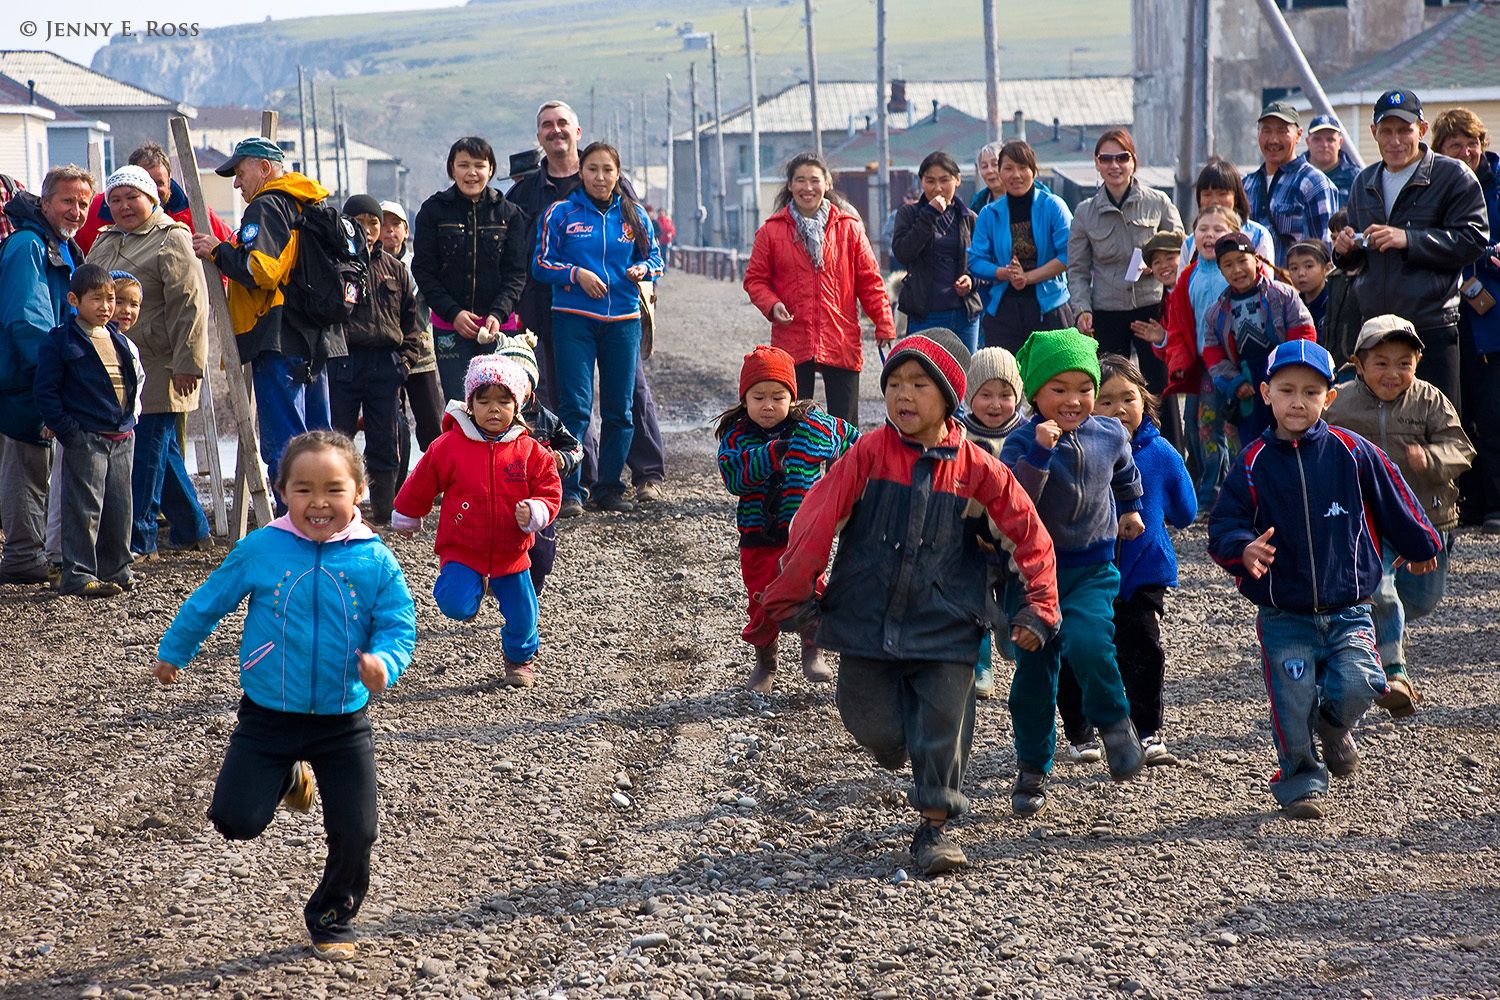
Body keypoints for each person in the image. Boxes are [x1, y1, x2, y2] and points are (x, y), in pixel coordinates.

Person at [758, 328, 1060, 875]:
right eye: (895, 382)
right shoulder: (868, 454)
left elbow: (1029, 535)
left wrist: (1039, 606)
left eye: (919, 383)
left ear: (947, 396)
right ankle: (904, 749)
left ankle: (936, 827)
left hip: (949, 621)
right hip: (864, 621)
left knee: (942, 723)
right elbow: (814, 523)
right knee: (873, 725)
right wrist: (794, 597)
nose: (904, 394)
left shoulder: (979, 470)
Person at [152, 430, 417, 961]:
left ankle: (331, 919)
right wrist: (175, 650)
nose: (318, 502)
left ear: (359, 491)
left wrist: (383, 663)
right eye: (303, 489)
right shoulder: (261, 548)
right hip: (268, 715)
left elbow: (398, 626)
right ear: (282, 491)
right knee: (235, 820)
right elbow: (209, 602)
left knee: (357, 830)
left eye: (333, 489)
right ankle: (290, 775)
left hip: (343, 719)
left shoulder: (376, 561)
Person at [1208, 340, 1442, 819]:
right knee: (1291, 703)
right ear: (1267, 394)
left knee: (1363, 681)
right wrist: (1242, 548)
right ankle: (1299, 780)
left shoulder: (1352, 452)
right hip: (1283, 613)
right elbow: (1225, 521)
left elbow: (1394, 495)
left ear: (1328, 399)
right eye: (1287, 390)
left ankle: (1334, 726)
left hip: (1348, 606)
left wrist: (1423, 545)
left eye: (1311, 392)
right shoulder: (1252, 462)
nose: (1298, 402)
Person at [1000, 327, 1147, 815]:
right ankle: (1033, 766)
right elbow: (1014, 502)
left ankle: (1115, 725)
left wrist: (1129, 509)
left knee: (1089, 643)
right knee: (1034, 677)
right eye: (1058, 389)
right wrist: (1040, 451)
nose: (1074, 399)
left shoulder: (1109, 432)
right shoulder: (1021, 440)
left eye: (1084, 388)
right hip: (1035, 577)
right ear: (1035, 392)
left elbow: (1125, 472)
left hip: (1092, 569)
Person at [509, 101, 669, 505]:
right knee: (570, 405)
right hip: (562, 316)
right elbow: (531, 259)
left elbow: (652, 256)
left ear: (577, 132)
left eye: (563, 123)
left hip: (623, 317)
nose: (556, 130)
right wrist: (573, 275)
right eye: (547, 125)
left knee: (628, 400)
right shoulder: (538, 197)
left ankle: (630, 478)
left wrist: (643, 275)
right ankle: (571, 487)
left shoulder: (630, 205)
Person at [1325, 316, 1473, 717]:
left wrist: (1431, 458)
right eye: (1381, 363)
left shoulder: (1429, 400)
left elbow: (1460, 448)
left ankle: (1373, 627)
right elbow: (1313, 440)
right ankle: (1393, 673)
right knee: (1380, 589)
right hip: (1368, 518)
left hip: (1427, 518)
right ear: (1358, 363)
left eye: (1403, 363)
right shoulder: (1340, 402)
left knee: (1421, 599)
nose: (1393, 373)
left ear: (1418, 362)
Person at [1057, 354, 1195, 765]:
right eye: (1107, 401)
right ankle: (1080, 733)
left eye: (1128, 399)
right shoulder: (1077, 450)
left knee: (1143, 651)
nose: (1119, 409)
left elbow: (1185, 511)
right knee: (1079, 652)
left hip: (1143, 573)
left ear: (1145, 401)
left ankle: (1149, 731)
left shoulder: (1161, 452)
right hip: (1086, 572)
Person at [191, 137, 343, 507]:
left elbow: (261, 269)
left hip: (279, 335)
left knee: (287, 442)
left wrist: (218, 251)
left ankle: (295, 520)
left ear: (263, 167)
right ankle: (330, 517)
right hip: (316, 335)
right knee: (319, 438)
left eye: (240, 173)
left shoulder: (268, 206)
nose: (236, 183)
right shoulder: (309, 202)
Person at [392, 355, 562, 688]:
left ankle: (519, 658)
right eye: (483, 401)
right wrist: (409, 514)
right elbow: (421, 480)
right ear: (470, 405)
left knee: (524, 615)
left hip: (511, 552)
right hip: (462, 548)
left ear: (518, 404)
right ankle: (476, 589)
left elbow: (550, 488)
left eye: (503, 401)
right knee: (453, 603)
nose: (493, 409)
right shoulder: (449, 446)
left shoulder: (530, 450)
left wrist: (537, 509)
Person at [1333, 89, 1488, 410]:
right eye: (1386, 131)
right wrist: (1347, 251)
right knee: (1378, 432)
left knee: (1439, 432)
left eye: (1404, 130)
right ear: (1373, 132)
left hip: (1431, 326)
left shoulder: (1452, 175)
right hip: (1375, 331)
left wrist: (1409, 239)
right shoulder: (1363, 182)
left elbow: (1473, 240)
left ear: (1422, 129)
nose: (1395, 140)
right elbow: (1359, 265)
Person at [85, 165, 212, 558]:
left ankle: (138, 540)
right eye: (116, 200)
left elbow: (189, 302)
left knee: (146, 451)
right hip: (114, 360)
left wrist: (189, 362)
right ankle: (192, 526)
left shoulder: (170, 238)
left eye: (132, 198)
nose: (124, 206)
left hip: (159, 361)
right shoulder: (106, 241)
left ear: (151, 199)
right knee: (161, 450)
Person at [716, 345, 858, 694]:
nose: (768, 405)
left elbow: (855, 443)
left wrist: (843, 481)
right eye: (758, 397)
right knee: (761, 598)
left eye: (778, 397)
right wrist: (771, 454)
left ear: (791, 398)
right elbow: (734, 478)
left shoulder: (811, 426)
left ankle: (813, 649)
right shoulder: (736, 435)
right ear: (744, 399)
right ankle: (766, 659)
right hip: (757, 539)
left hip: (804, 535)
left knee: (811, 589)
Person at [743, 153, 896, 425]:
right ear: (790, 185)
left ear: (827, 184)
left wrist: (884, 322)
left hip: (841, 336)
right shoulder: (771, 231)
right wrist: (772, 304)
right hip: (792, 337)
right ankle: (801, 469)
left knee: (844, 427)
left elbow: (870, 281)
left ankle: (843, 469)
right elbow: (755, 279)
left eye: (814, 180)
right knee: (794, 422)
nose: (807, 187)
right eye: (800, 180)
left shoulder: (849, 228)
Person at [0, 164, 93, 585]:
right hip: (22, 377)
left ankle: (31, 550)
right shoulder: (29, 246)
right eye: (68, 201)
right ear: (45, 201)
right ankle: (22, 555)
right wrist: (55, 372)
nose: (76, 211)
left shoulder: (61, 247)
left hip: (37, 372)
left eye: (84, 204)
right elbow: (26, 320)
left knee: (36, 464)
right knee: (26, 461)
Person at [33, 262, 144, 597]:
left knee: (120, 507)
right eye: (97, 299)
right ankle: (78, 574)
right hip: (86, 436)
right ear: (73, 300)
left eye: (110, 299)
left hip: (121, 436)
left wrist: (129, 423)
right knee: (84, 508)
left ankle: (118, 569)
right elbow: (45, 391)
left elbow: (131, 382)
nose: (107, 307)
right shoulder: (61, 341)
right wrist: (69, 431)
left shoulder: (118, 339)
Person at [410, 136, 529, 403]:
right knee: (460, 403)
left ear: (491, 169)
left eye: (479, 165)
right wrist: (453, 313)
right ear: (452, 169)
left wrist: (498, 313)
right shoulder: (433, 211)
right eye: (463, 165)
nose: (471, 173)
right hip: (450, 327)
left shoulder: (509, 214)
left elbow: (516, 274)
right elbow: (423, 270)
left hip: (499, 327)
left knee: (500, 402)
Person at [1067, 128, 1182, 400]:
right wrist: (1082, 309)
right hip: (1107, 311)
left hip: (1152, 307)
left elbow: (1183, 250)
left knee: (1159, 387)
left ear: (1133, 161)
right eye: (1106, 159)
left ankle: (1166, 443)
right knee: (1110, 389)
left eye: (1122, 157)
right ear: (1096, 163)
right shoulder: (1085, 213)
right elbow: (1078, 270)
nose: (1114, 165)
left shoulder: (1158, 202)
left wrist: (1159, 268)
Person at [327, 195, 421, 524]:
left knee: (386, 438)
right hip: (344, 361)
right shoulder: (334, 263)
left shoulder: (396, 269)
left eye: (374, 223)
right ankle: (337, 505)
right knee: (338, 437)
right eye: (359, 222)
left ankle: (385, 510)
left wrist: (404, 362)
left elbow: (412, 323)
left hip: (386, 363)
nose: (367, 230)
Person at [1429, 108, 1500, 531]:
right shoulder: (1437, 184)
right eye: (1455, 144)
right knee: (1460, 410)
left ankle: (1496, 501)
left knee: (1494, 412)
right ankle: (1470, 502)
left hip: (1493, 318)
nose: (1466, 151)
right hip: (1452, 317)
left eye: (1471, 142)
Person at [1201, 231, 1317, 444]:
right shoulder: (1215, 313)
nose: (1236, 270)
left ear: (1255, 260)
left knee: (1293, 432)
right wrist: (1235, 383)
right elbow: (1213, 356)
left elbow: (1303, 333)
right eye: (1228, 265)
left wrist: (1290, 372)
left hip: (1283, 371)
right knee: (1255, 441)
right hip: (1248, 383)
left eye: (1242, 261)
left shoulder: (1283, 295)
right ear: (1220, 270)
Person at [491, 331, 582, 596]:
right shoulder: (488, 418)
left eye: (522, 379)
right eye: (509, 379)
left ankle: (533, 588)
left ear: (532, 382)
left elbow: (575, 447)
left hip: (539, 499)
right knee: (499, 548)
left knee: (541, 554)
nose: (515, 385)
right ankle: (502, 585)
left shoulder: (546, 420)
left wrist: (562, 459)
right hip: (500, 499)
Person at [958, 346, 1026, 699]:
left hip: (1014, 535)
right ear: (971, 395)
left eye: (1005, 395)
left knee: (1016, 594)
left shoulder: (1027, 433)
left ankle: (1009, 629)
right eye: (985, 395)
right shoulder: (959, 433)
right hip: (973, 535)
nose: (995, 404)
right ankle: (980, 665)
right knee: (976, 603)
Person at [967, 140, 1073, 353]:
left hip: (1050, 307)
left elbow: (1069, 254)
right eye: (1008, 168)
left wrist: (1028, 277)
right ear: (1000, 173)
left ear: (1034, 171)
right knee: (1007, 381)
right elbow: (975, 260)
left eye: (1022, 167)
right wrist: (1003, 273)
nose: (1016, 175)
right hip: (1004, 311)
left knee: (1053, 380)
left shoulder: (1053, 206)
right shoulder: (989, 213)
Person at [379, 200, 445, 481]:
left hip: (420, 353)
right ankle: (395, 484)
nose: (389, 231)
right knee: (391, 422)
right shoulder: (366, 265)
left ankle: (438, 479)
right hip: (383, 353)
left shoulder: (419, 266)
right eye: (382, 224)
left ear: (406, 231)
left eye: (396, 225)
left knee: (431, 420)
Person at [890, 153, 982, 352]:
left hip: (963, 315)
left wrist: (971, 281)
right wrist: (929, 215)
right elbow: (903, 253)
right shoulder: (909, 214)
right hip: (924, 315)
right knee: (925, 376)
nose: (937, 188)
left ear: (957, 180)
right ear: (921, 181)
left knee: (964, 376)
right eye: (930, 181)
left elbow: (984, 264)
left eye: (944, 180)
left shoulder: (970, 218)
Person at [76, 140, 235, 254]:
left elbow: (232, 248)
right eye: (146, 182)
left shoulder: (194, 215)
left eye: (159, 183)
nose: (153, 190)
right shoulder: (98, 211)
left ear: (169, 182)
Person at [1244, 101, 1338, 264]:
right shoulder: (1247, 184)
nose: (1273, 139)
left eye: (1282, 131)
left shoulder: (1314, 183)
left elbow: (1326, 251)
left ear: (1299, 135)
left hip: (1295, 287)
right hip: (1254, 288)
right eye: (1267, 131)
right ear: (1258, 134)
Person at [1175, 158, 1276, 267]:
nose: (1214, 201)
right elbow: (1182, 282)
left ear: (1236, 197)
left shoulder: (1258, 235)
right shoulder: (1191, 243)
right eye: (1207, 194)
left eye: (1222, 194)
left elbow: (1265, 280)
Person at [1305, 115, 1361, 210]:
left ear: (1340, 143)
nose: (1324, 145)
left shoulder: (1357, 179)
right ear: (1308, 142)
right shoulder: (1294, 175)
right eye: (1317, 139)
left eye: (1330, 139)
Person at [970, 142, 1005, 213]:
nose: (990, 171)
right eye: (984, 166)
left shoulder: (1028, 194)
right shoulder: (978, 203)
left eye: (995, 164)